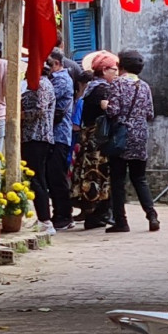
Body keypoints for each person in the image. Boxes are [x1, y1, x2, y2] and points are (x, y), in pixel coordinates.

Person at [102, 49, 159, 233]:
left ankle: (121, 221)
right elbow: (150, 114)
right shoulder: (144, 86)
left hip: (121, 136)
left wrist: (105, 105)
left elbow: (113, 111)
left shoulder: (117, 84)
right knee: (139, 178)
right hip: (140, 136)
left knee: (118, 180)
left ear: (121, 66)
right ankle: (152, 215)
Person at [22, 50, 74, 236]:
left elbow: (39, 109)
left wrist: (18, 115)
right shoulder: (41, 84)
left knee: (43, 178)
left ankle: (49, 219)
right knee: (42, 178)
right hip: (37, 136)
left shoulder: (44, 85)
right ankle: (48, 217)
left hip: (39, 136)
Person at [68, 52, 117, 228]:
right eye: (114, 69)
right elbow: (109, 110)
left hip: (89, 139)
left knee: (91, 175)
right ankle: (99, 215)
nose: (116, 73)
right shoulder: (102, 89)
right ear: (104, 70)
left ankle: (94, 214)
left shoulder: (91, 87)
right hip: (98, 142)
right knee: (99, 176)